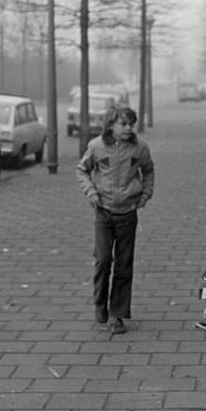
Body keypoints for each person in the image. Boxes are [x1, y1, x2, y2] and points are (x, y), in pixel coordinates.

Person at [75, 106, 155, 334]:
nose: (129, 128)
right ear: (111, 125)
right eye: (124, 124)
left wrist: (146, 194)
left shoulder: (140, 148)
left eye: (131, 123)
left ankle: (117, 314)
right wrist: (91, 193)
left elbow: (149, 171)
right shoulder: (97, 146)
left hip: (128, 213)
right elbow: (82, 170)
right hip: (103, 212)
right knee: (102, 260)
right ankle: (99, 302)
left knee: (123, 264)